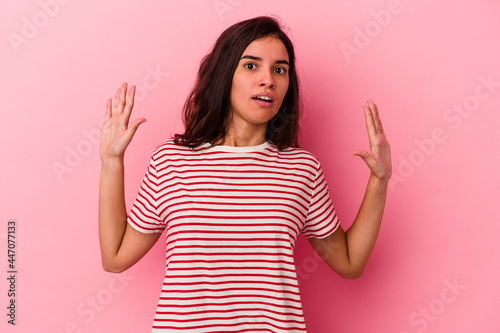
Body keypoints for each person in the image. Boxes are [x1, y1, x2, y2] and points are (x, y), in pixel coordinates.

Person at [99, 16, 391, 332]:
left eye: (279, 69)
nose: (268, 79)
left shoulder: (301, 170)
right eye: (251, 66)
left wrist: (380, 182)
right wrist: (111, 163)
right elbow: (114, 258)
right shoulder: (171, 162)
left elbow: (349, 264)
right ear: (225, 76)